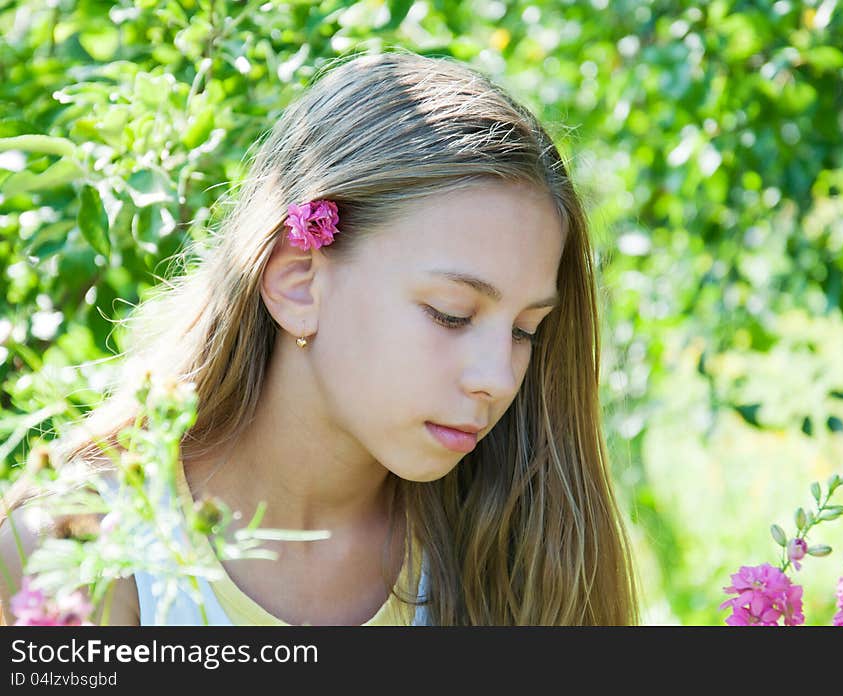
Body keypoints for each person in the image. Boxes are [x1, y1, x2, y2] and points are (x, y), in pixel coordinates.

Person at [0, 49, 640, 626]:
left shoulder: (515, 558)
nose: (497, 378)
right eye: (451, 313)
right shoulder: (71, 549)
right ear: (298, 282)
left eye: (527, 330)